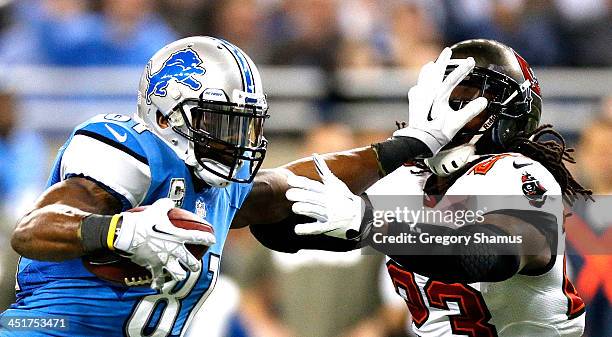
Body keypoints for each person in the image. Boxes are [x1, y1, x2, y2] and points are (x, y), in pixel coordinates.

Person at [0, 36, 483, 337]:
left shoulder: (219, 187)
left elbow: (300, 179)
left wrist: (410, 143)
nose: (237, 142)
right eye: (222, 123)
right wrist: (117, 231)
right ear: (167, 114)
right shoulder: (129, 150)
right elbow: (31, 229)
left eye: (244, 125)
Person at [254, 39, 592, 336]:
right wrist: (399, 150)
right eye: (440, 98)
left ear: (507, 114)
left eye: (464, 101)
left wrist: (370, 222)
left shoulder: (519, 174)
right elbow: (278, 230)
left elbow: (489, 254)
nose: (446, 113)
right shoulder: (407, 178)